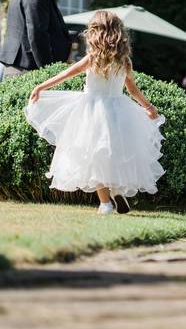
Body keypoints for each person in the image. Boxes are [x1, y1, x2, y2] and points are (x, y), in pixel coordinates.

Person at [24, 11, 165, 215]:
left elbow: (64, 75)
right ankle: (116, 189)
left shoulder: (92, 59)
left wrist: (41, 87)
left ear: (95, 33)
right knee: (114, 153)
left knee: (94, 155)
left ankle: (105, 204)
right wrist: (149, 107)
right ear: (118, 33)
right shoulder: (124, 61)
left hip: (91, 111)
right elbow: (133, 90)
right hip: (119, 111)